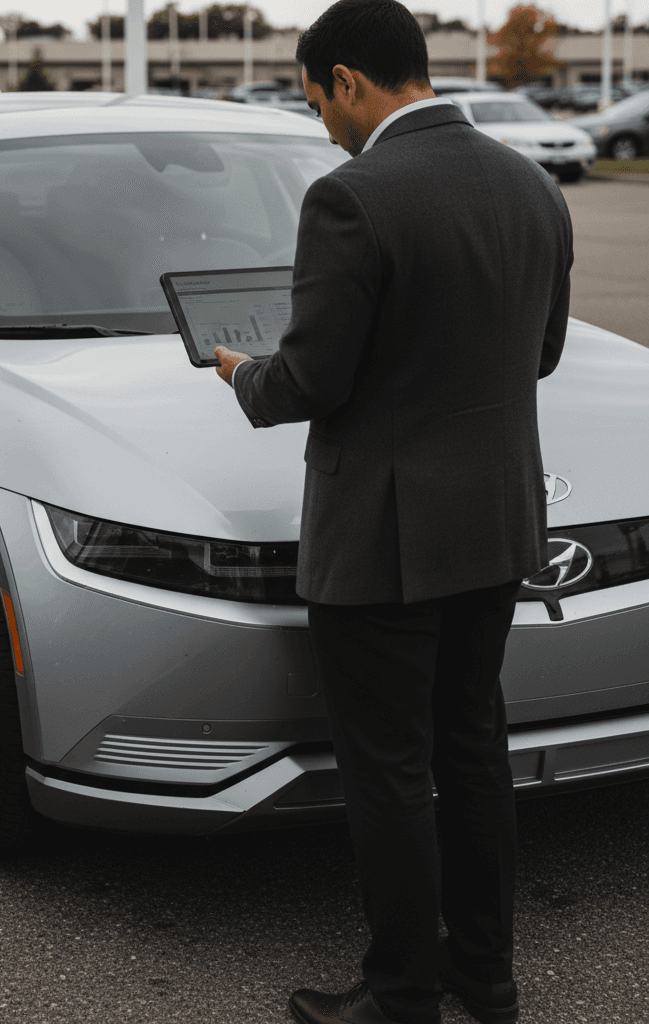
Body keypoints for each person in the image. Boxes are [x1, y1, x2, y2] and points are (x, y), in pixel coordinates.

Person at [213, 2, 573, 1023]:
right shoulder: (532, 186)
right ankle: (485, 978)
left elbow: (314, 382)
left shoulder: (351, 198)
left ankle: (402, 991)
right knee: (471, 747)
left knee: (385, 769)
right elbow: (537, 353)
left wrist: (245, 374)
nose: (318, 119)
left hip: (382, 536)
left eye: (315, 97)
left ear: (349, 81)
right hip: (496, 523)